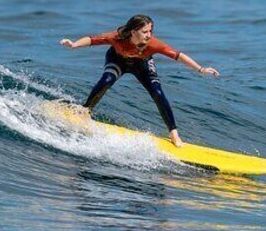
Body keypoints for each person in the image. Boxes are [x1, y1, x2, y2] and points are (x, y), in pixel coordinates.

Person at [59, 15, 220, 147]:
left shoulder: (154, 44)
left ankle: (174, 134)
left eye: (150, 31)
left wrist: (201, 69)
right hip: (118, 60)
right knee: (107, 80)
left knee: (158, 93)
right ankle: (85, 111)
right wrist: (74, 45)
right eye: (145, 31)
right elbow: (92, 39)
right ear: (133, 31)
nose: (149, 35)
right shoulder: (117, 36)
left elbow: (178, 55)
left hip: (142, 64)